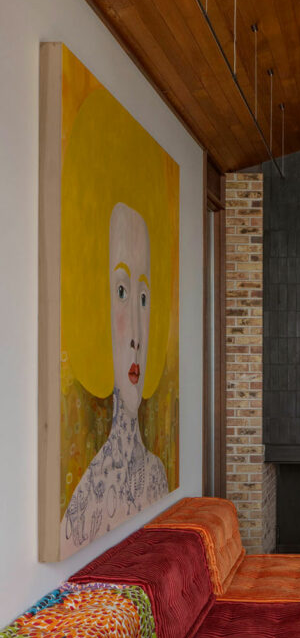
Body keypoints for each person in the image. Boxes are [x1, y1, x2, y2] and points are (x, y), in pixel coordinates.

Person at [63, 202, 168, 549]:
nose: (136, 334)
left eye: (143, 297)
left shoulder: (157, 477)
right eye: (121, 292)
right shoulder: (83, 507)